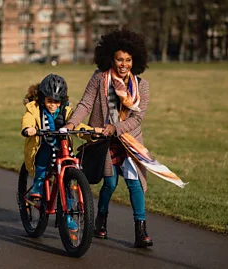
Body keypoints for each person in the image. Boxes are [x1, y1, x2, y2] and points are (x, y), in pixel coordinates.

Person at [63, 29, 154, 248]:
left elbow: (137, 118)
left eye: (128, 60)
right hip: (103, 141)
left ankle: (140, 231)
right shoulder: (99, 78)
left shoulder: (142, 86)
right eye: (119, 59)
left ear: (135, 60)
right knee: (110, 183)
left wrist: (115, 127)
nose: (124, 64)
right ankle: (101, 221)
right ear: (110, 59)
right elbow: (85, 103)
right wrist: (71, 124)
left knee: (135, 184)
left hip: (129, 141)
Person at [21, 74, 96, 232]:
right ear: (42, 98)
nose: (53, 105)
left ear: (62, 101)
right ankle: (38, 184)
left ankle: (67, 215)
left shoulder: (67, 111)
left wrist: (91, 133)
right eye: (49, 101)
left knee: (68, 183)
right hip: (43, 144)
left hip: (62, 148)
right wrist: (29, 129)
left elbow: (76, 125)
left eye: (57, 101)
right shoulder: (34, 109)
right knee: (43, 155)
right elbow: (28, 119)